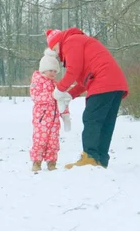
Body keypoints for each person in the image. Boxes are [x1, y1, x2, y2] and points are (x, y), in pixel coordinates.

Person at [45, 28, 129, 169]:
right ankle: (100, 159)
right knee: (105, 124)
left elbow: (73, 70)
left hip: (103, 82)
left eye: (54, 48)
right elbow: (84, 80)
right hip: (115, 85)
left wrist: (59, 90)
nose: (56, 54)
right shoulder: (80, 41)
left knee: (91, 118)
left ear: (58, 42)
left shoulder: (70, 42)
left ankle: (90, 157)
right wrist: (70, 95)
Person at [29, 48, 71, 172]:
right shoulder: (37, 81)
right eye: (50, 70)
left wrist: (66, 115)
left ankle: (51, 162)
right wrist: (51, 96)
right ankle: (36, 162)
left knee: (53, 141)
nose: (52, 73)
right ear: (43, 70)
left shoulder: (56, 84)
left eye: (55, 70)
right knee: (40, 141)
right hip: (41, 119)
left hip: (54, 120)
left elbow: (62, 101)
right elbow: (35, 96)